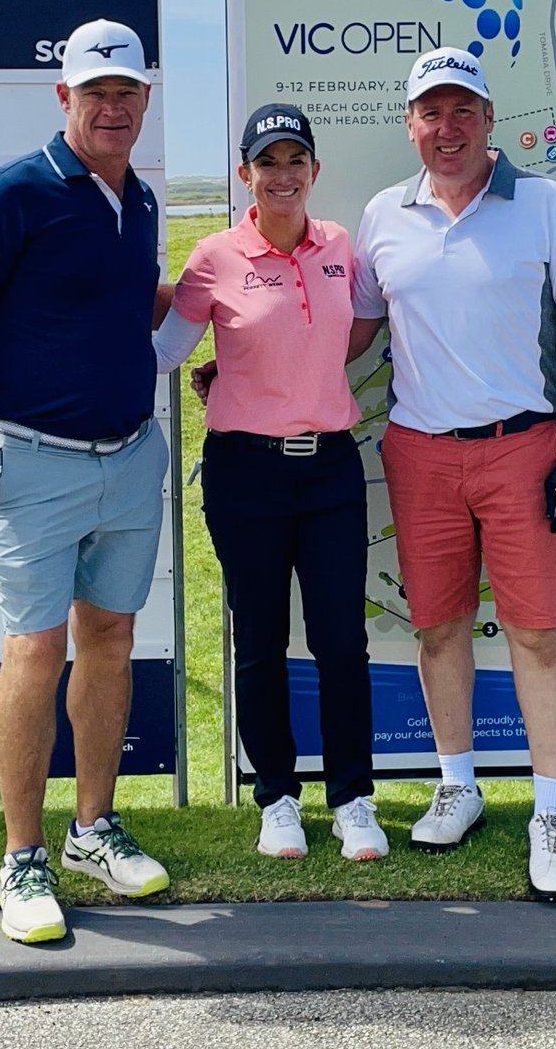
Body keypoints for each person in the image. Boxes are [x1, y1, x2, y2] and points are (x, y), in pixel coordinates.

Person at [0, 18, 173, 944]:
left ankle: (91, 829)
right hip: (33, 461)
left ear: (144, 99)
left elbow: (122, 305)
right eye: (94, 92)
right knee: (34, 649)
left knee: (110, 638)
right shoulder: (14, 195)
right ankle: (21, 857)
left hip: (130, 457)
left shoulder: (139, 199)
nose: (112, 107)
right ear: (63, 96)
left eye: (126, 92)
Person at [348, 47, 556, 899]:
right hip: (420, 451)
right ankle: (458, 785)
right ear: (410, 125)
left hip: (524, 448)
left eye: (463, 110)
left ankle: (552, 812)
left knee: (536, 634)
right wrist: (246, 367)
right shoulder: (384, 215)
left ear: (490, 119)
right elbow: (355, 335)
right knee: (438, 629)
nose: (448, 127)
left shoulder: (546, 204)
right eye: (431, 112)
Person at [154, 103, 387, 862]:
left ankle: (351, 798)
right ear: (245, 175)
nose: (283, 175)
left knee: (340, 640)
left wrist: (276, 364)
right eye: (267, 163)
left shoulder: (341, 246)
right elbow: (167, 352)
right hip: (245, 472)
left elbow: (354, 330)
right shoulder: (215, 256)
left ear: (314, 170)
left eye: (295, 161)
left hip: (329, 468)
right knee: (259, 640)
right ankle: (278, 798)